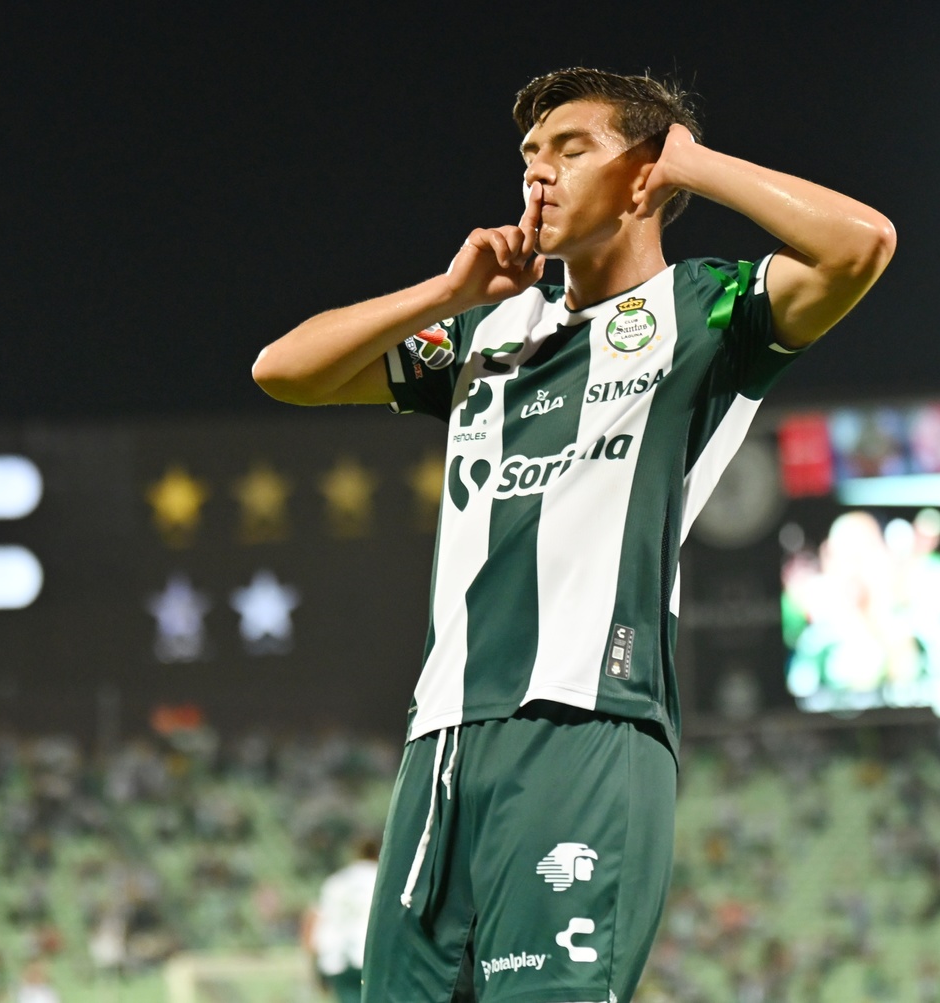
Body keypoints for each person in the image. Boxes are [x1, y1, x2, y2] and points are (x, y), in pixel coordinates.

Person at [254, 67, 895, 1003]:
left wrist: (693, 163)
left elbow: (860, 245)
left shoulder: (704, 314)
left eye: (571, 149)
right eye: (529, 156)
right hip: (440, 741)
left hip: (586, 722)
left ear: (643, 176)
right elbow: (285, 370)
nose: (538, 174)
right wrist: (445, 292)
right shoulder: (486, 332)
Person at [304, 837, 381, 1003]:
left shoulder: (336, 881)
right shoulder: (381, 879)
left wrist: (315, 968)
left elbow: (316, 922)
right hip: (370, 956)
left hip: (337, 958)